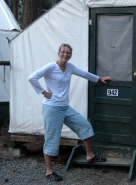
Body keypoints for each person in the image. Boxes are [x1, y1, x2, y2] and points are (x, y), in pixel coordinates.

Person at [28, 43, 111, 182]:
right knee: (51, 139)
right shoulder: (50, 67)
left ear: (70, 55)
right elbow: (32, 77)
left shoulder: (70, 67)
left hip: (65, 107)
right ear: (58, 53)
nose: (65, 55)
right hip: (52, 108)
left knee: (84, 125)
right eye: (63, 52)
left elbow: (83, 73)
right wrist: (43, 92)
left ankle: (90, 155)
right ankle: (49, 171)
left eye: (68, 53)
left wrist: (98, 78)